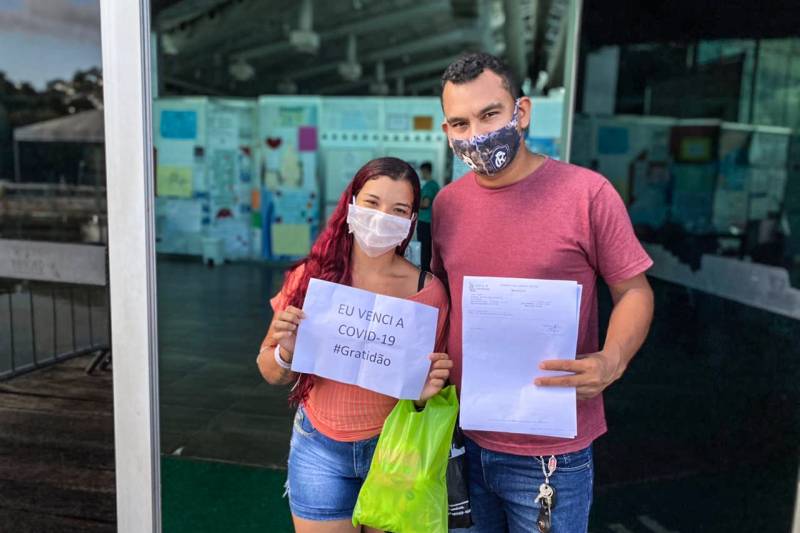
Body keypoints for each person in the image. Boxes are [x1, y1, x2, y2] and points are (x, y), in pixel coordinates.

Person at [431, 52, 655, 532]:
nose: (477, 134)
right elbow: (441, 301)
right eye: (460, 123)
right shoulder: (447, 205)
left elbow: (634, 291)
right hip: (461, 438)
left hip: (552, 453)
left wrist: (612, 360)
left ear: (522, 112)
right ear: (447, 131)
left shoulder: (587, 194)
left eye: (490, 114)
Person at [256, 157, 452, 533]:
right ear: (351, 205)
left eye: (398, 210)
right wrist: (287, 352)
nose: (381, 218)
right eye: (372, 203)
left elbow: (428, 388)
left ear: (411, 221)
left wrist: (424, 395)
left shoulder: (428, 293)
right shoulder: (311, 278)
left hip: (395, 449)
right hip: (319, 448)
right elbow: (270, 371)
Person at [417, 161, 440, 272]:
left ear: (425, 171)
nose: (421, 174)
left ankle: (426, 273)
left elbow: (425, 204)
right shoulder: (433, 185)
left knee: (425, 250)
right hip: (429, 222)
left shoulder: (429, 186)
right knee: (428, 249)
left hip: (425, 222)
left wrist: (413, 203)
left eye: (421, 171)